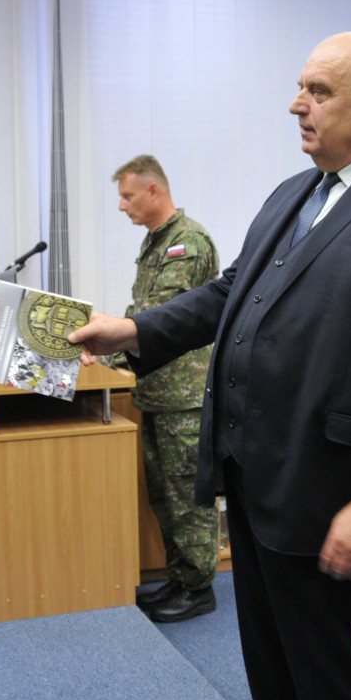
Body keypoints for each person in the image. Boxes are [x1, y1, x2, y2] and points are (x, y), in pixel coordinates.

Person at [71, 32, 351, 700]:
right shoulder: (294, 192)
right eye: (300, 88)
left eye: (318, 91)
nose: (296, 105)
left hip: (336, 498)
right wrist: (134, 331)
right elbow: (232, 293)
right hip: (257, 487)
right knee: (278, 694)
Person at [111, 155, 221, 623]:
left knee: (187, 496)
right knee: (164, 495)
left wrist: (107, 349)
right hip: (157, 391)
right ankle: (179, 578)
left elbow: (164, 315)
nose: (122, 206)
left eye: (128, 196)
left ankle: (198, 587)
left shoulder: (186, 243)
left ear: (154, 191)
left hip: (183, 396)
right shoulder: (156, 241)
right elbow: (141, 312)